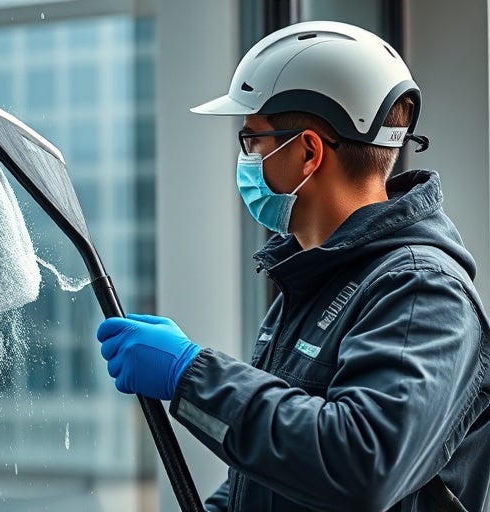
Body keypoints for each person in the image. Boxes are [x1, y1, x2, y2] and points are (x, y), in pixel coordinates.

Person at [96, 21, 490, 511]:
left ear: (307, 151)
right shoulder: (318, 279)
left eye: (252, 141)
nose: (245, 158)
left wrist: (189, 374)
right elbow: (279, 476)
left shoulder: (419, 290)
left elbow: (359, 464)